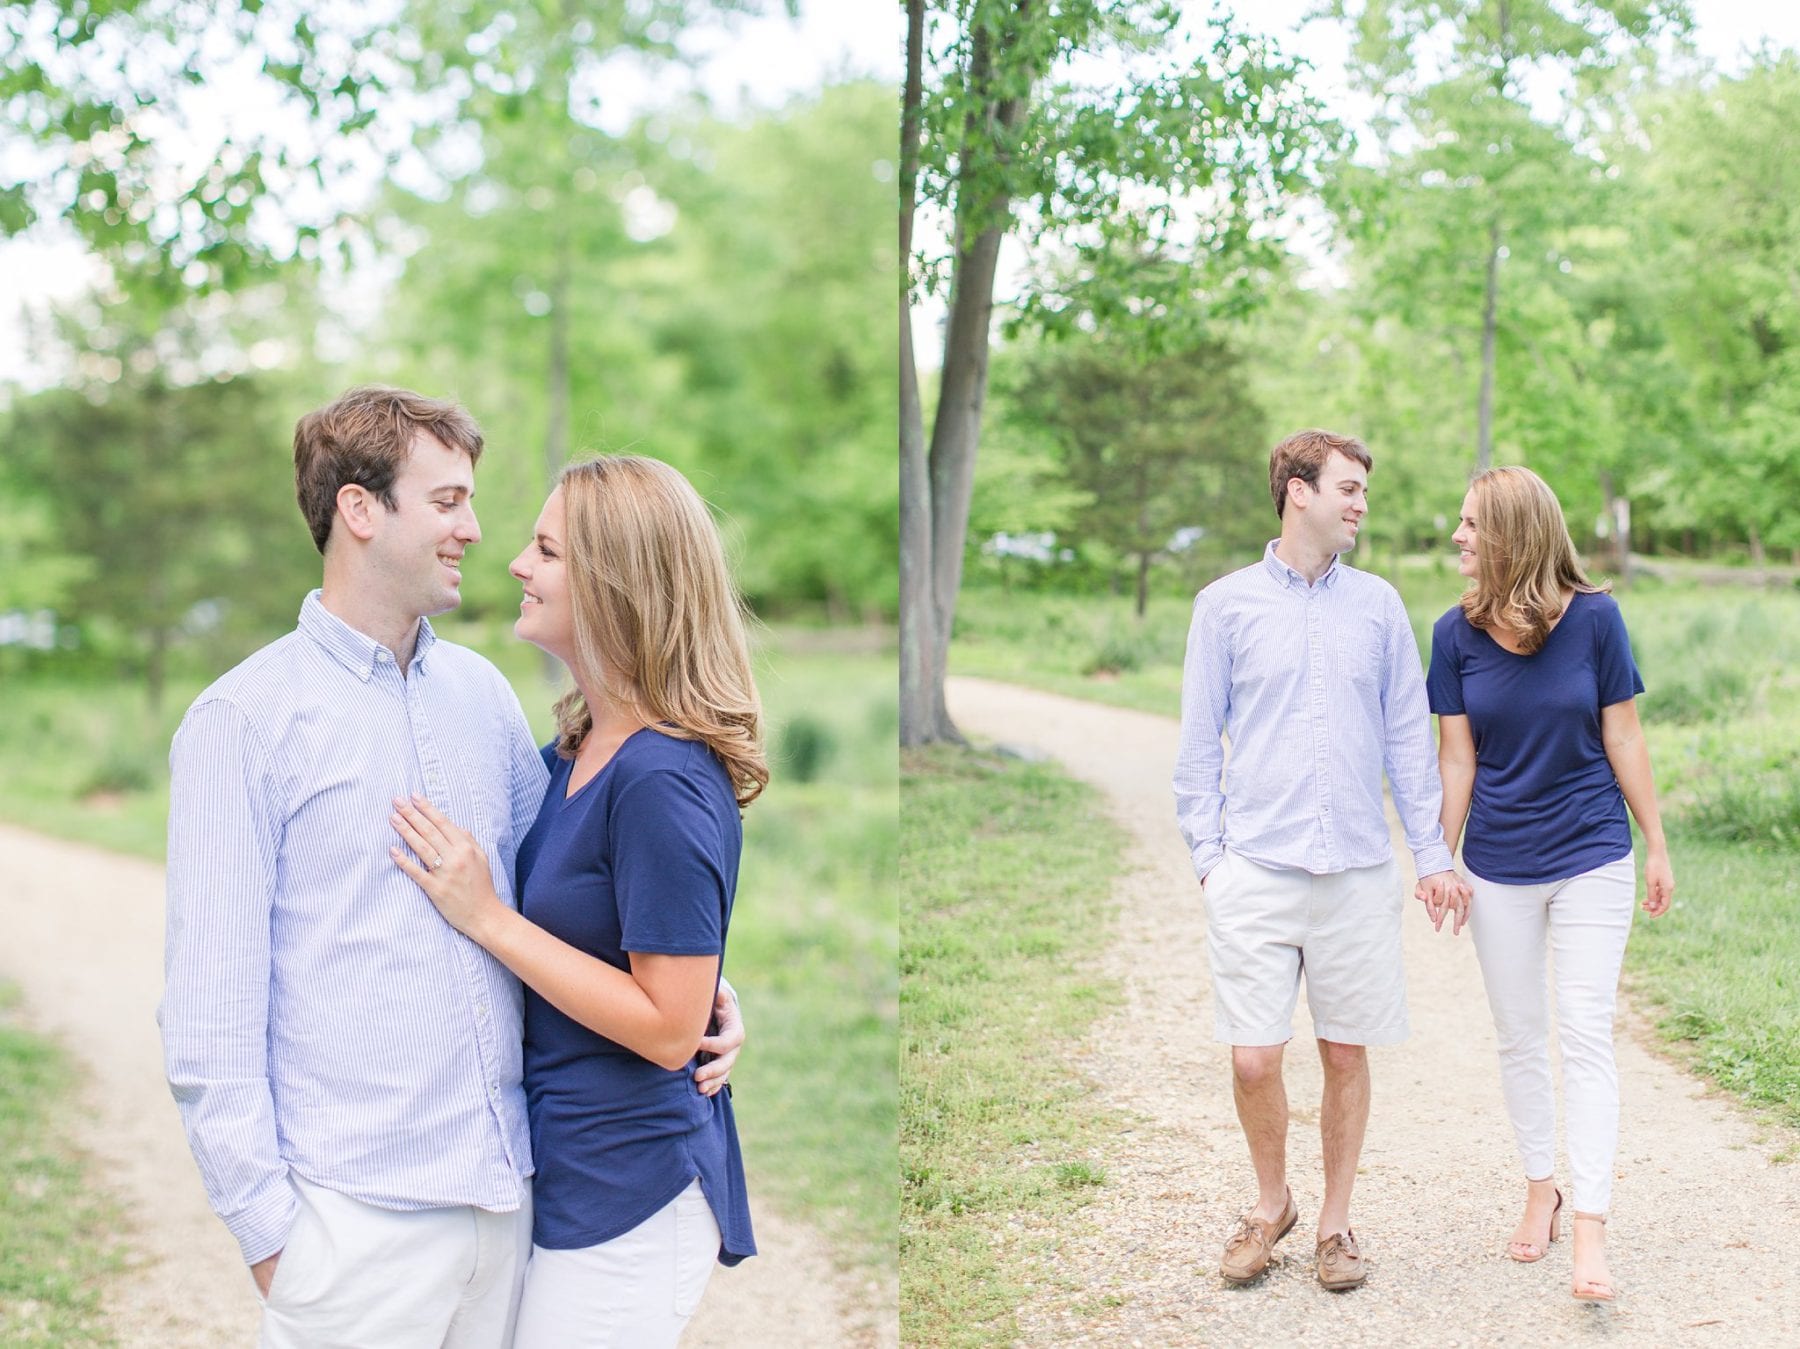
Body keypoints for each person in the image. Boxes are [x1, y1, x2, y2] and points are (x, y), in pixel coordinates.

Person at [159, 387, 743, 1348]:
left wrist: (709, 994)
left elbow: (569, 895)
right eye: (448, 501)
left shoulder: (482, 694)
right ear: (360, 509)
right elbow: (206, 1015)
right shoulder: (245, 722)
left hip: (511, 1201)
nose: (477, 531)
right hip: (355, 1226)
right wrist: (275, 1240)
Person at [387, 454, 761, 1347]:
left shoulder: (662, 776)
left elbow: (670, 1028)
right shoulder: (574, 751)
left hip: (631, 1185)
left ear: (614, 583)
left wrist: (489, 917)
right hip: (560, 1169)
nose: (516, 561)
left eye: (547, 550)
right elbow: (632, 942)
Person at [1174, 428, 1470, 1291]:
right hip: (1255, 872)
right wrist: (1210, 862)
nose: (1360, 505)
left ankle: (1335, 1226)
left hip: (1354, 872)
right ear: (1296, 491)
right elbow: (1197, 749)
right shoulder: (1223, 605)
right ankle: (1274, 1204)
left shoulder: (1378, 606)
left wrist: (1432, 856)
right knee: (1253, 1058)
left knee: (1346, 1051)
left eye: (1364, 492)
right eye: (1347, 488)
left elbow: (1410, 750)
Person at [1426, 465, 1672, 1303]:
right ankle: (1543, 1185)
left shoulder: (1597, 620)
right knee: (1519, 1034)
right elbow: (1457, 756)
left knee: (1585, 1033)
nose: (1457, 537)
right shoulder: (1452, 636)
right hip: (1498, 862)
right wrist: (1439, 857)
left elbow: (1625, 738)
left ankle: (1593, 1224)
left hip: (1593, 853)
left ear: (1514, 534)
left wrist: (1658, 844)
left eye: (1470, 524)